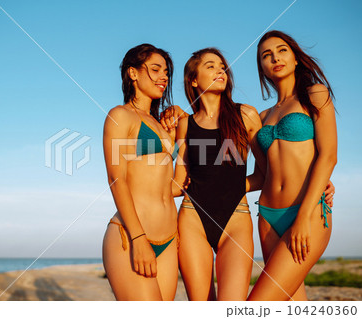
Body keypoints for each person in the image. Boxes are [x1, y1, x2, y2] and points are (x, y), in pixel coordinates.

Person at [247, 30, 337, 301]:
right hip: (267, 216)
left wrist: (302, 217)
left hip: (307, 212)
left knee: (257, 305)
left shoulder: (315, 94)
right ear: (262, 66)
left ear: (296, 58)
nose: (275, 57)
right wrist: (212, 190)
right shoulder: (263, 116)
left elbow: (329, 155)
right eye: (266, 55)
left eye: (282, 50)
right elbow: (261, 175)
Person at [170, 48, 264, 300]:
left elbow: (265, 173)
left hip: (236, 218)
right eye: (210, 66)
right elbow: (178, 183)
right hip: (192, 218)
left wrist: (234, 185)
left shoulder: (246, 115)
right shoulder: (184, 124)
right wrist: (138, 184)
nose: (220, 70)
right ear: (193, 79)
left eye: (222, 66)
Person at [102, 44, 179, 301]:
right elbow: (117, 179)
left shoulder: (161, 124)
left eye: (166, 71)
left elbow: (173, 187)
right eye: (155, 69)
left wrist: (181, 120)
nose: (164, 77)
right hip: (131, 235)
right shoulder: (120, 116)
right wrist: (138, 238)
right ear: (133, 73)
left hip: (169, 239)